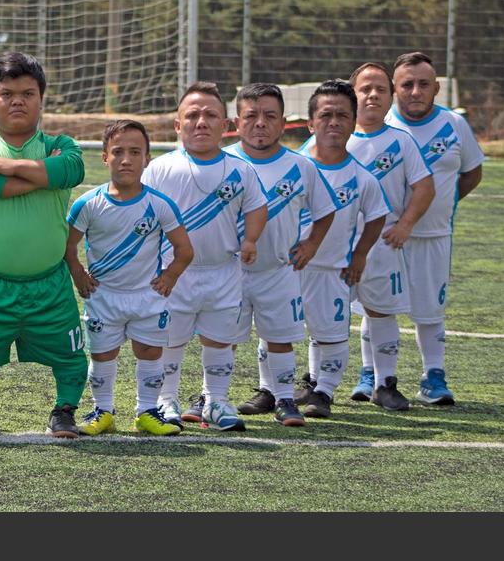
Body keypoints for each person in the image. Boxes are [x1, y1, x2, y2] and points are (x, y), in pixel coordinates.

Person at [0, 51, 87, 440]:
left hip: (50, 284)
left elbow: (73, 169)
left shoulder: (62, 143)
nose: (17, 101)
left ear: (41, 98)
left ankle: (64, 412)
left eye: (27, 93)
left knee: (72, 359)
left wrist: (9, 164)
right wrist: (47, 174)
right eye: (7, 93)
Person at [143, 81, 268, 432]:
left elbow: (257, 207)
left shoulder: (241, 169)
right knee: (171, 339)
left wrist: (252, 239)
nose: (201, 122)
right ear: (177, 125)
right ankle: (166, 401)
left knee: (219, 340)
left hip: (223, 271)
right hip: (173, 273)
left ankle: (215, 400)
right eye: (193, 115)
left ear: (226, 125)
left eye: (211, 115)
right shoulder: (160, 168)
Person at [65, 120, 193, 437]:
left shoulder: (159, 204)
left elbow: (184, 250)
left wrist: (170, 276)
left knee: (150, 354)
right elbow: (67, 245)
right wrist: (78, 273)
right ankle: (103, 411)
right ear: (105, 157)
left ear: (147, 158)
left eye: (135, 152)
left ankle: (147, 412)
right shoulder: (88, 204)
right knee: (102, 355)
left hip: (147, 297)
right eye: (118, 151)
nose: (126, 159)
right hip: (103, 296)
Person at [224, 83, 337, 427]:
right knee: (223, 338)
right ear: (236, 121)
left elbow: (326, 209)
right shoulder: (222, 162)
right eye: (251, 116)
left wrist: (311, 245)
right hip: (229, 271)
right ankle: (212, 397)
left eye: (270, 116)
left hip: (279, 269)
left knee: (281, 338)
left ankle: (285, 399)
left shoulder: (301, 166)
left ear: (283, 121)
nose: (260, 123)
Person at [384, 52, 484, 406]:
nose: (415, 91)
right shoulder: (382, 124)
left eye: (423, 84)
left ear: (437, 88)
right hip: (387, 237)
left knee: (430, 310)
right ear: (394, 88)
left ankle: (433, 377)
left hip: (434, 235)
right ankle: (375, 377)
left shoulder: (454, 125)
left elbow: (472, 171)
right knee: (376, 308)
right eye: (407, 84)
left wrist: (447, 201)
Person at [294, 80, 390, 418]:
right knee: (276, 331)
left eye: (342, 116)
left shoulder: (362, 178)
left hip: (332, 269)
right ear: (311, 123)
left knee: (331, 334)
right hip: (287, 268)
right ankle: (272, 390)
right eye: (326, 115)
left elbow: (377, 217)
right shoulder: (293, 166)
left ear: (353, 122)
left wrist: (360, 254)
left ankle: (323, 392)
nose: (333, 122)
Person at [344, 62, 435, 410]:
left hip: (382, 242)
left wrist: (406, 224)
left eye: (381, 89)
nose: (372, 95)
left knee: (381, 312)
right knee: (328, 313)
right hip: (337, 242)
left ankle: (385, 384)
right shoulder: (334, 137)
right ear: (353, 94)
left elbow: (424, 186)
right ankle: (317, 385)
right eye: (365, 89)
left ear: (391, 95)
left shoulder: (401, 141)